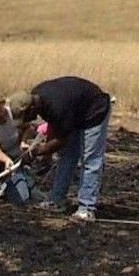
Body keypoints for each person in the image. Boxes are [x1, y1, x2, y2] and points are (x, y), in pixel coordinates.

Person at [9, 76, 111, 222]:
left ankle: (86, 209)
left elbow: (61, 140)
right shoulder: (38, 97)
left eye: (25, 117)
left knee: (90, 160)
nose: (26, 121)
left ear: (31, 108)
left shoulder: (57, 105)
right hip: (75, 112)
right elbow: (54, 124)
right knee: (67, 156)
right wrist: (45, 154)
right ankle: (56, 201)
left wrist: (38, 151)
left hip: (94, 111)